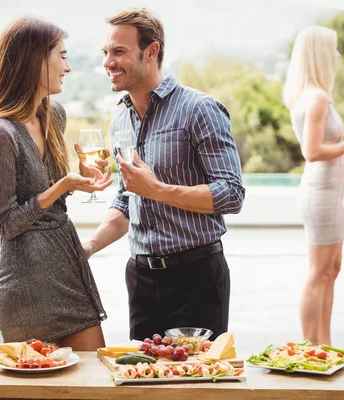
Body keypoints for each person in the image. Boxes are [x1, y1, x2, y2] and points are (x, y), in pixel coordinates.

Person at [82, 8, 245, 341]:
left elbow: (231, 194)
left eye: (119, 52)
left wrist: (156, 189)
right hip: (141, 277)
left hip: (197, 278)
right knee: (141, 383)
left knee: (192, 385)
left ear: (151, 51)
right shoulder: (120, 121)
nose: (108, 62)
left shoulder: (199, 109)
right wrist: (87, 247)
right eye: (106, 53)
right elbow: (128, 198)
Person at [0, 17, 113, 350]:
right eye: (61, 56)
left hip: (67, 272)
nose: (68, 67)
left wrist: (77, 178)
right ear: (35, 60)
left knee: (93, 382)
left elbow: (46, 186)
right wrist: (61, 186)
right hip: (26, 288)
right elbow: (6, 224)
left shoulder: (53, 115)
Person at [283, 26, 344, 346]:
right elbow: (312, 151)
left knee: (330, 270)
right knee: (319, 272)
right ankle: (312, 347)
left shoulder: (311, 95)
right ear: (320, 55)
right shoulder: (317, 98)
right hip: (320, 193)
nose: (337, 56)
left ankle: (324, 345)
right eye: (332, 50)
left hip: (328, 194)